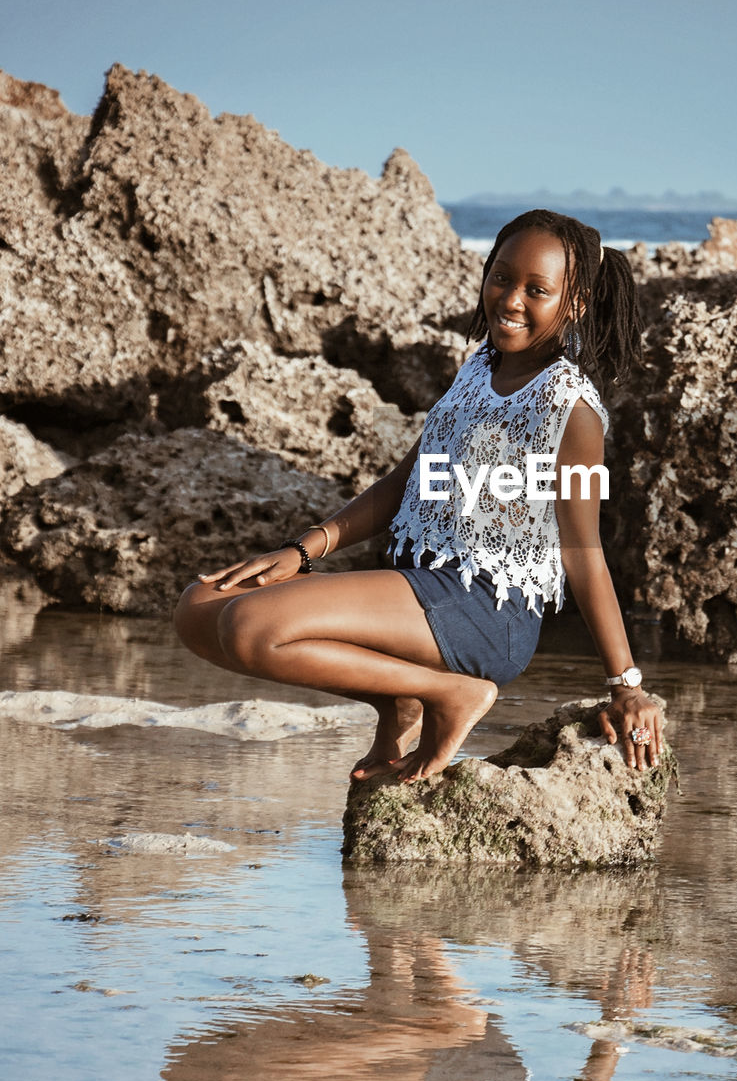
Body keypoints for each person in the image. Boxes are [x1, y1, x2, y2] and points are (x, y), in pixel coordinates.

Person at [173, 209, 665, 782]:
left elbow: (583, 550)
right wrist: (305, 550)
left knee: (250, 628)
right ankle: (400, 699)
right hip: (422, 585)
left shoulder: (572, 410)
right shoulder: (477, 369)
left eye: (537, 290)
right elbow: (409, 479)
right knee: (199, 607)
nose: (510, 300)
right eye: (501, 277)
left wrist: (625, 685)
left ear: (573, 303)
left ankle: (450, 692)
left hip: (487, 612)